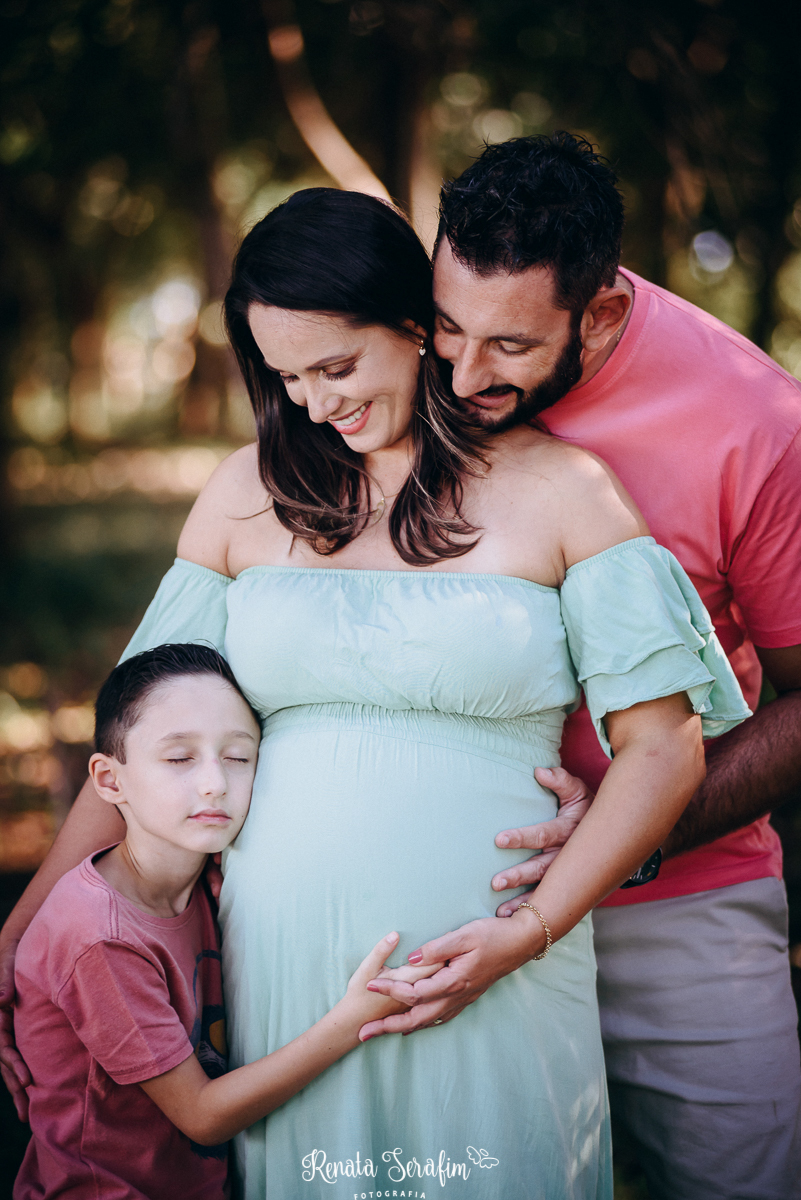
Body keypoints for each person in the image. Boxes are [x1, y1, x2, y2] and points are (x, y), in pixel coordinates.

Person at [0, 187, 748, 1199]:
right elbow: (144, 742)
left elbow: (664, 750)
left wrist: (526, 935)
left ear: (415, 325)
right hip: (289, 978)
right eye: (286, 376)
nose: (314, 402)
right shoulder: (246, 493)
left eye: (337, 366)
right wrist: (22, 935)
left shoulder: (566, 491)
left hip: (500, 959)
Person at [363, 134, 801, 1200]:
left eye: (509, 346)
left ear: (599, 313)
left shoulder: (755, 422)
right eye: (448, 328)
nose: (462, 378)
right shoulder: (396, 370)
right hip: (437, 906)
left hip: (683, 906)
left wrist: (628, 838)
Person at [13, 643, 434, 1200]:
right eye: (179, 758)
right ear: (110, 781)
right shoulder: (98, 934)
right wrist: (354, 1017)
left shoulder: (211, 881)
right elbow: (203, 1116)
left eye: (238, 756)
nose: (214, 782)